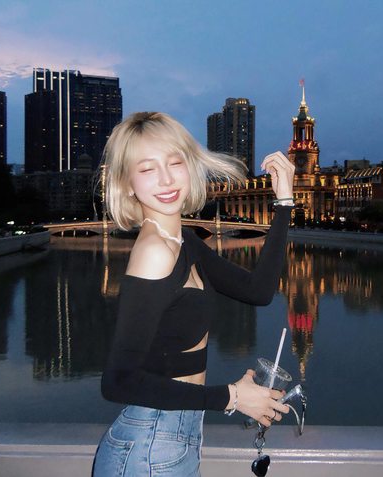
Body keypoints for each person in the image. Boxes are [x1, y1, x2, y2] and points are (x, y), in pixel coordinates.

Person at [92, 112, 294, 476]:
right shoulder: (155, 251)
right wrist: (233, 397)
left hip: (172, 439)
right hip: (150, 447)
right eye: (147, 168)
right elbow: (118, 381)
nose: (166, 179)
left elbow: (258, 291)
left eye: (175, 162)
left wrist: (284, 202)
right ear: (126, 183)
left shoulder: (182, 240)